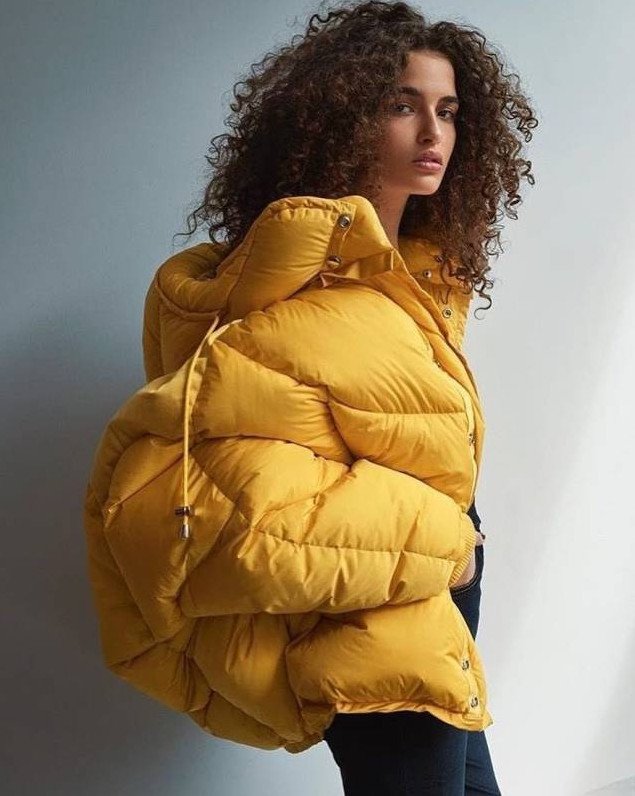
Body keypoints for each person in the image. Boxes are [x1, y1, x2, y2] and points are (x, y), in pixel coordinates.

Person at [83, 1, 537, 793]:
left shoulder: (422, 281)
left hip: (430, 590)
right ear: (343, 120)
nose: (431, 133)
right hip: (364, 610)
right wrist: (447, 547)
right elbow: (248, 494)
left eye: (447, 111)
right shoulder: (285, 287)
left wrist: (455, 553)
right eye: (402, 105)